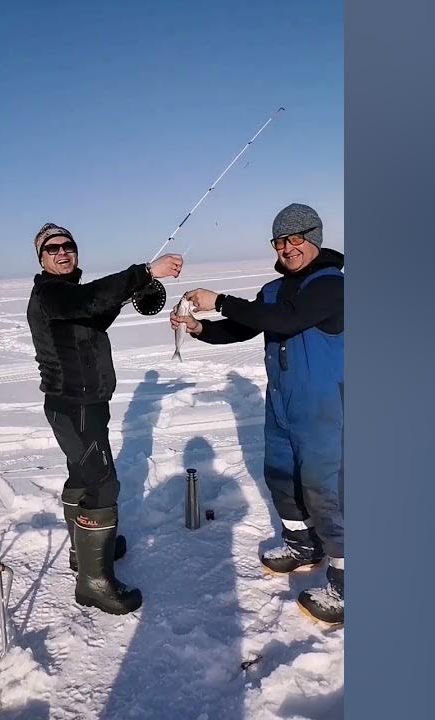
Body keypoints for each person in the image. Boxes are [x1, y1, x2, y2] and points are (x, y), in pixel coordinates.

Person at [169, 203, 345, 624]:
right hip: (282, 402)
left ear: (315, 237)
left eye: (296, 238)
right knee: (280, 474)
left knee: (326, 488)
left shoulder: (331, 284)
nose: (287, 248)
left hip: (325, 405)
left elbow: (289, 320)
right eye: (280, 241)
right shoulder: (272, 290)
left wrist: (221, 300)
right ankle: (303, 543)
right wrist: (201, 329)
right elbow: (250, 325)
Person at [27, 222, 184, 615]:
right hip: (74, 405)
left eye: (68, 246)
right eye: (53, 249)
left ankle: (87, 553)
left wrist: (133, 292)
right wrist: (146, 272)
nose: (63, 252)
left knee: (83, 476)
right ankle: (94, 583)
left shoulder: (69, 297)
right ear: (41, 259)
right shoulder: (50, 294)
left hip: (83, 404)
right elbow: (88, 301)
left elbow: (94, 312)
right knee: (102, 485)